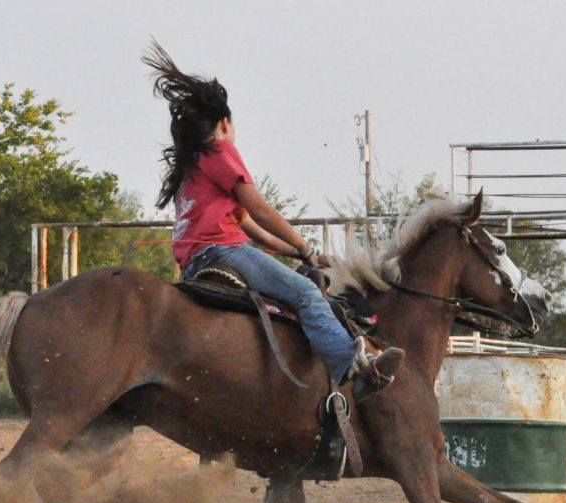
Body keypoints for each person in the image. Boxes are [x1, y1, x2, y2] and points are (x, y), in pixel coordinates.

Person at [143, 41, 403, 392]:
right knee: (308, 295)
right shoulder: (219, 150)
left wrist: (303, 253)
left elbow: (254, 230)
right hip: (223, 252)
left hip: (195, 262)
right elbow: (260, 209)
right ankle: (355, 368)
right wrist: (301, 241)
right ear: (224, 124)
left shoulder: (191, 169)